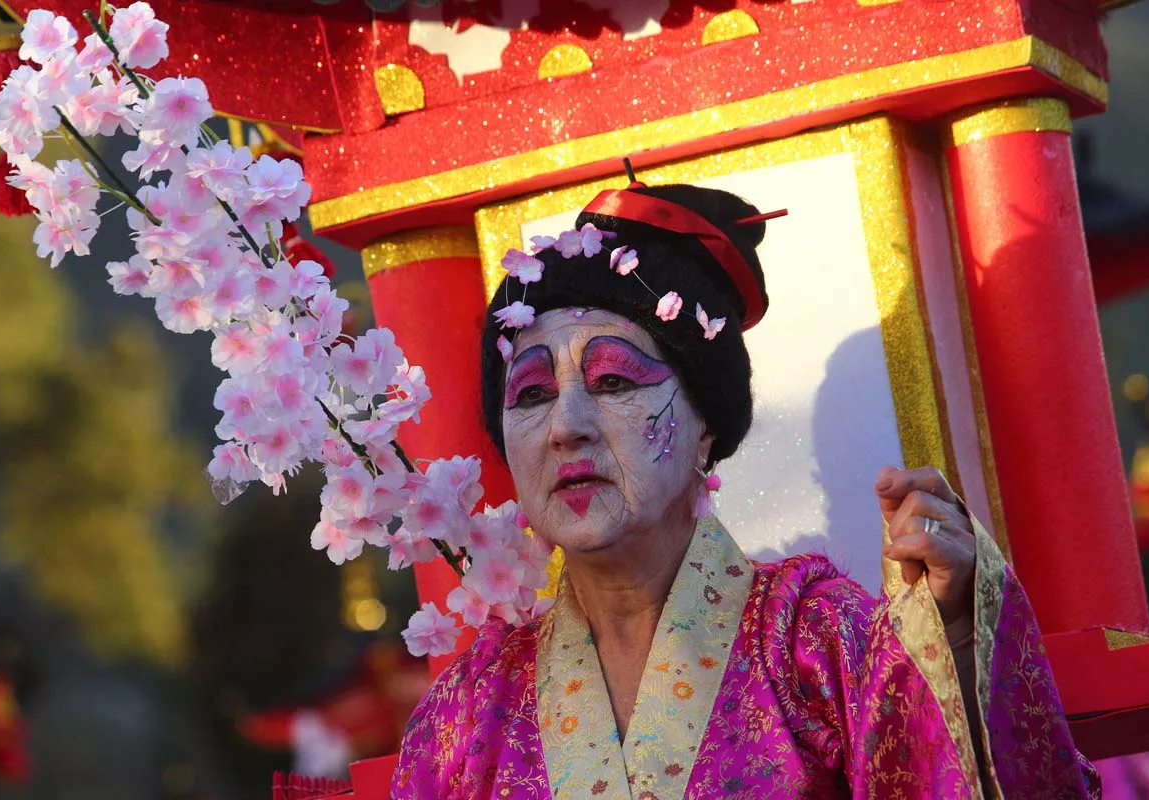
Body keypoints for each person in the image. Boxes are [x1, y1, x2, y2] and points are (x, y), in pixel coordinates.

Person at [392, 179, 1099, 798]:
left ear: (705, 425)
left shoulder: (818, 642)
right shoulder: (468, 714)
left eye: (612, 381)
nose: (566, 426)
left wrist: (956, 637)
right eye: (532, 394)